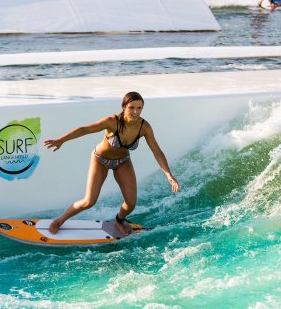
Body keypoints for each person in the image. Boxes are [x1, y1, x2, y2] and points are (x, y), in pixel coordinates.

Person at [43, 92, 180, 236]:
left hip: (122, 162)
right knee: (89, 201)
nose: (135, 112)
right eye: (131, 107)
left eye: (139, 108)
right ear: (123, 106)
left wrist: (169, 175)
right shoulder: (112, 121)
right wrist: (61, 140)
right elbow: (85, 129)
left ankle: (119, 220)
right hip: (100, 160)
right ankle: (59, 220)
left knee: (131, 203)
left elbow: (157, 152)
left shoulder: (144, 127)